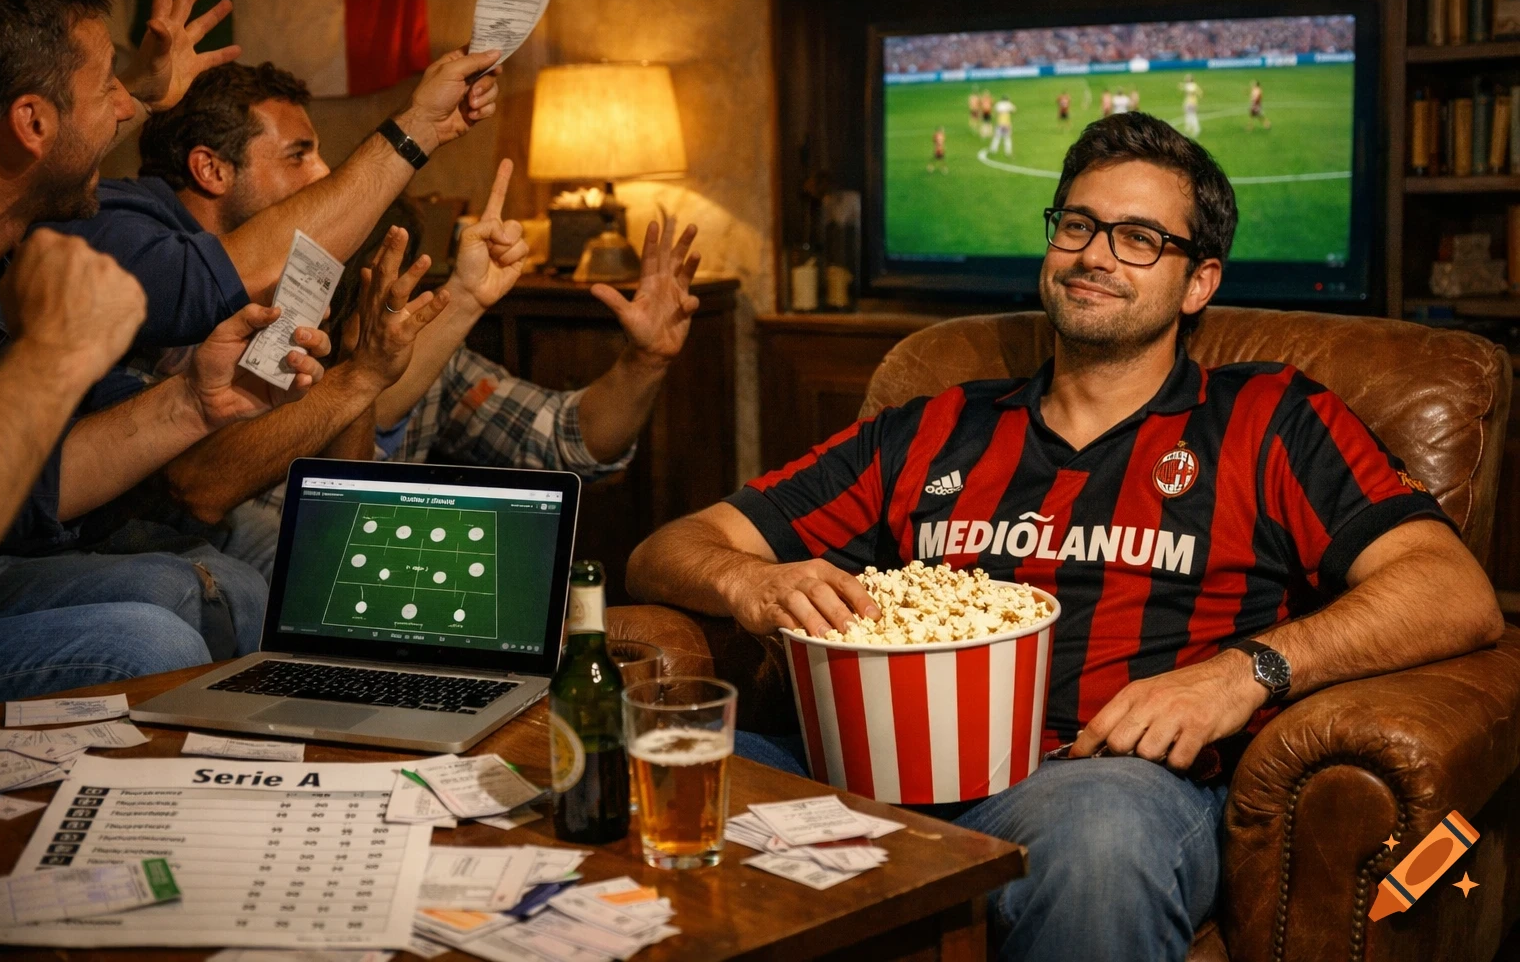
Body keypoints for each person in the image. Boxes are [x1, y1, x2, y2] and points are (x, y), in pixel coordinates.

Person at [626, 112, 1505, 962]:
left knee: (1100, 842)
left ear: (1198, 282)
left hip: (1100, 780)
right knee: (638, 764)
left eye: (1139, 238)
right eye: (1078, 225)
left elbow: (1452, 590)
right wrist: (751, 582)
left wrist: (1243, 673)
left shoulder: (1269, 419)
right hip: (872, 768)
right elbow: (667, 549)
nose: (1094, 255)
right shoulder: (934, 426)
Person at [52, 61, 700, 578]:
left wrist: (644, 360)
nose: (327, 176)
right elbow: (206, 486)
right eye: (299, 156)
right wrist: (362, 375)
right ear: (210, 169)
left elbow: (563, 441)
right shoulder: (163, 303)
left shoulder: (384, 320)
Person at [0, 0, 319, 693]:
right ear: (31, 121)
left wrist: (193, 401)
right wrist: (51, 354)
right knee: (150, 634)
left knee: (223, 584)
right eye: (110, 84)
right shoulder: (113, 231)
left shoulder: (5, 249)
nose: (131, 107)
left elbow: (37, 485)